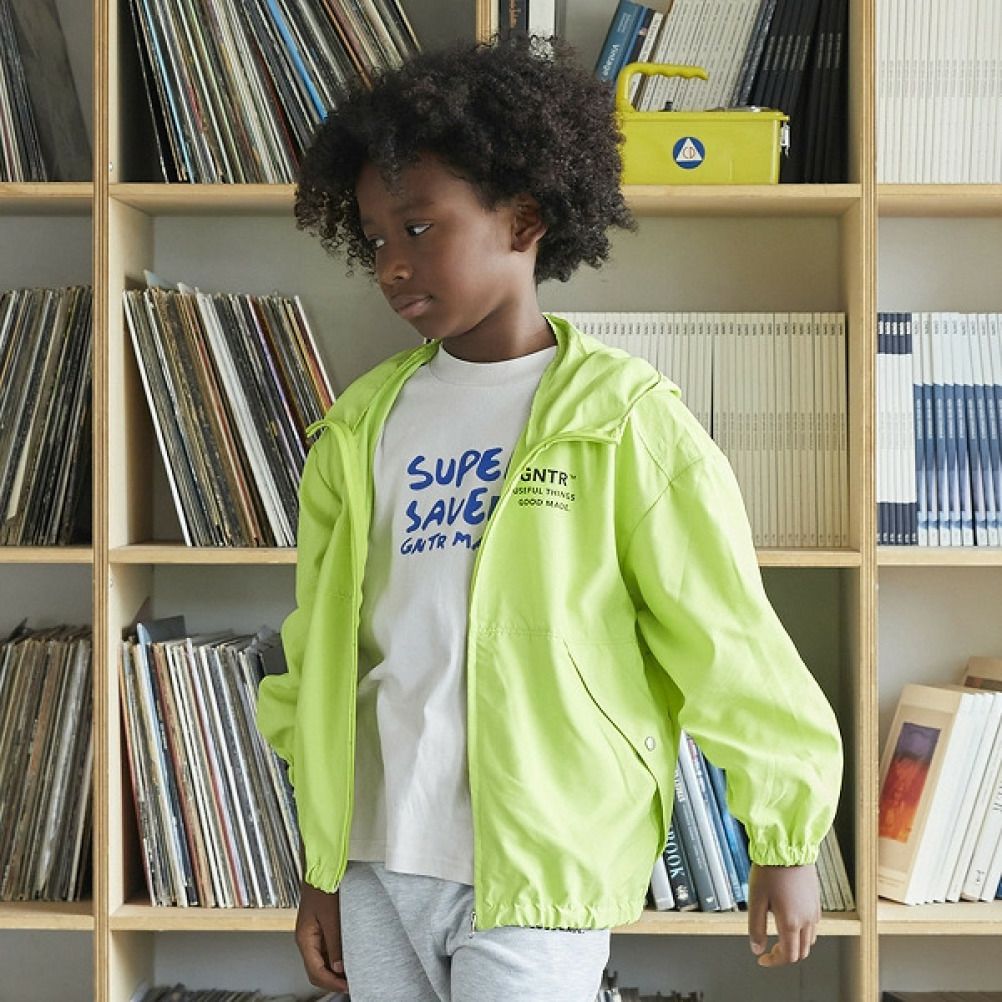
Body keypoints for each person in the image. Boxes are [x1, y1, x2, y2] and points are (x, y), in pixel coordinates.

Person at [255, 34, 843, 1002]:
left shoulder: (626, 421)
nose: (391, 265)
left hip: (539, 868)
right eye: (374, 238)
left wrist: (784, 838)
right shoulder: (356, 431)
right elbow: (319, 661)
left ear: (525, 218)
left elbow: (727, 638)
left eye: (419, 228)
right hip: (375, 857)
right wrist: (322, 866)